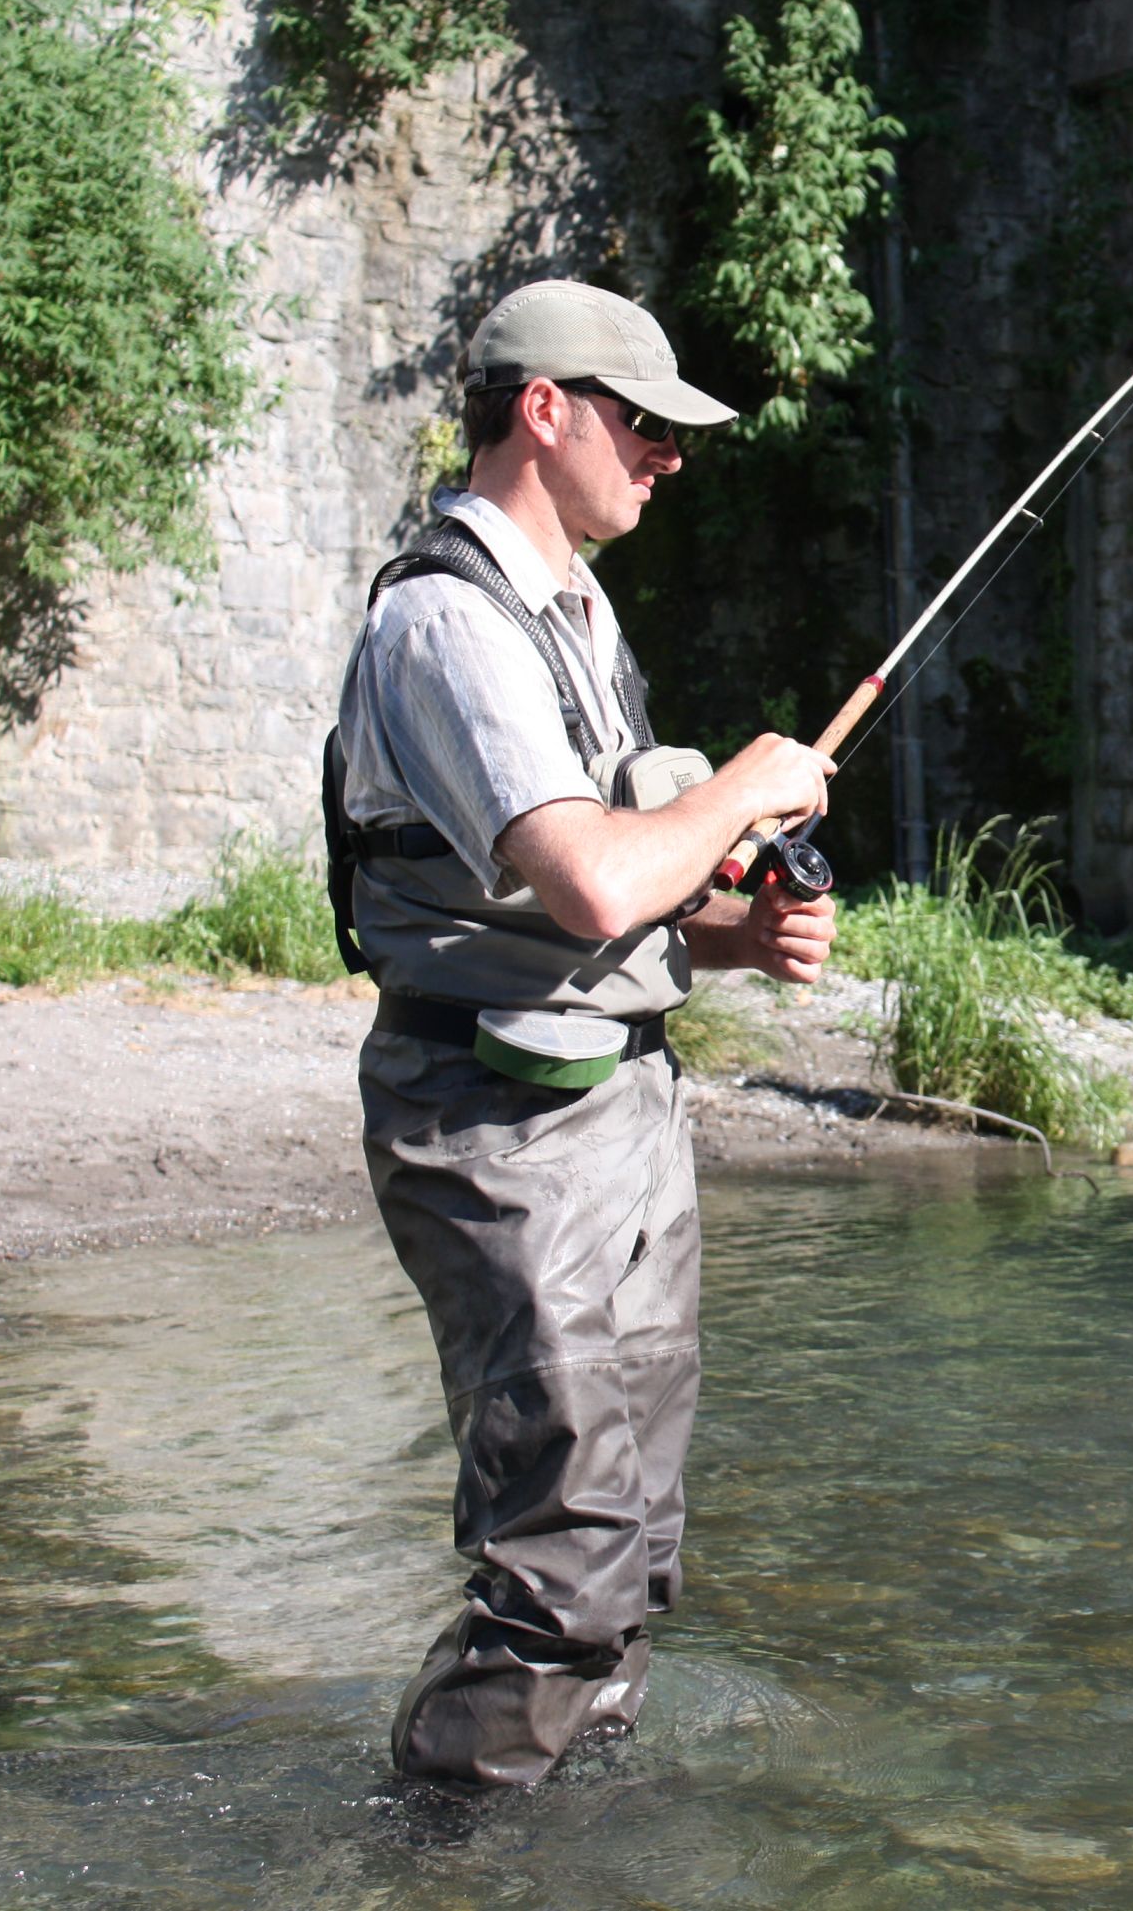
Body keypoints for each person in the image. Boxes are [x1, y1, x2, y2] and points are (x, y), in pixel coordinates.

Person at [330, 279, 837, 1787]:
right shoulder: (443, 624)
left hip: (621, 1114)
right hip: (493, 1125)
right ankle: (441, 1855)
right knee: (563, 1555)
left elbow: (621, 900)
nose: (666, 457)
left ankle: (568, 1824)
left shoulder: (580, 610)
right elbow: (598, 871)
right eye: (642, 423)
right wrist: (744, 782)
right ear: (542, 411)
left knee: (636, 1543)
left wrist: (736, 931)